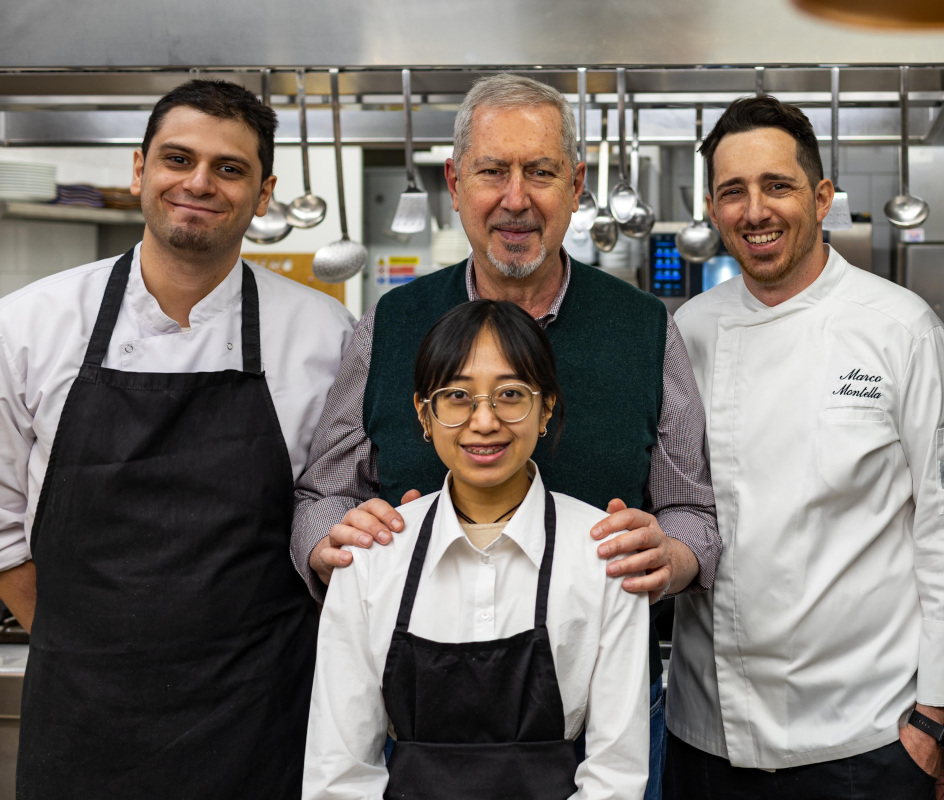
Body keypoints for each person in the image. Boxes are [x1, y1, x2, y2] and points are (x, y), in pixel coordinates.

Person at [291, 73, 719, 800]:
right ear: (455, 183)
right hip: (415, 730)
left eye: (541, 172)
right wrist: (330, 541)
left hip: (604, 719)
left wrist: (671, 554)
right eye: (493, 171)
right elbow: (321, 494)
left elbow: (694, 514)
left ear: (576, 184)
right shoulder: (391, 325)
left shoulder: (645, 329)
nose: (516, 198)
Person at [0, 80, 355, 798]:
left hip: (260, 720)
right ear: (139, 170)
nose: (199, 183)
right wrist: (89, 652)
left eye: (229, 168)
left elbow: (335, 511)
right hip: (82, 721)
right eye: (177, 159)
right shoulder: (29, 325)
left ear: (263, 194)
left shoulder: (326, 336)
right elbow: (2, 525)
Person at [665, 95, 944, 800]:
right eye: (732, 192)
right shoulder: (686, 333)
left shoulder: (900, 328)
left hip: (866, 737)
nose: (755, 211)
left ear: (822, 196)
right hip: (707, 734)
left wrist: (938, 718)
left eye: (777, 186)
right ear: (713, 209)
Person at [303, 299, 649, 799]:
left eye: (510, 394)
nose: (484, 421)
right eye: (457, 396)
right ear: (424, 414)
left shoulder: (605, 554)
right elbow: (339, 773)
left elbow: (616, 775)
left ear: (546, 407)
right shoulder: (374, 555)